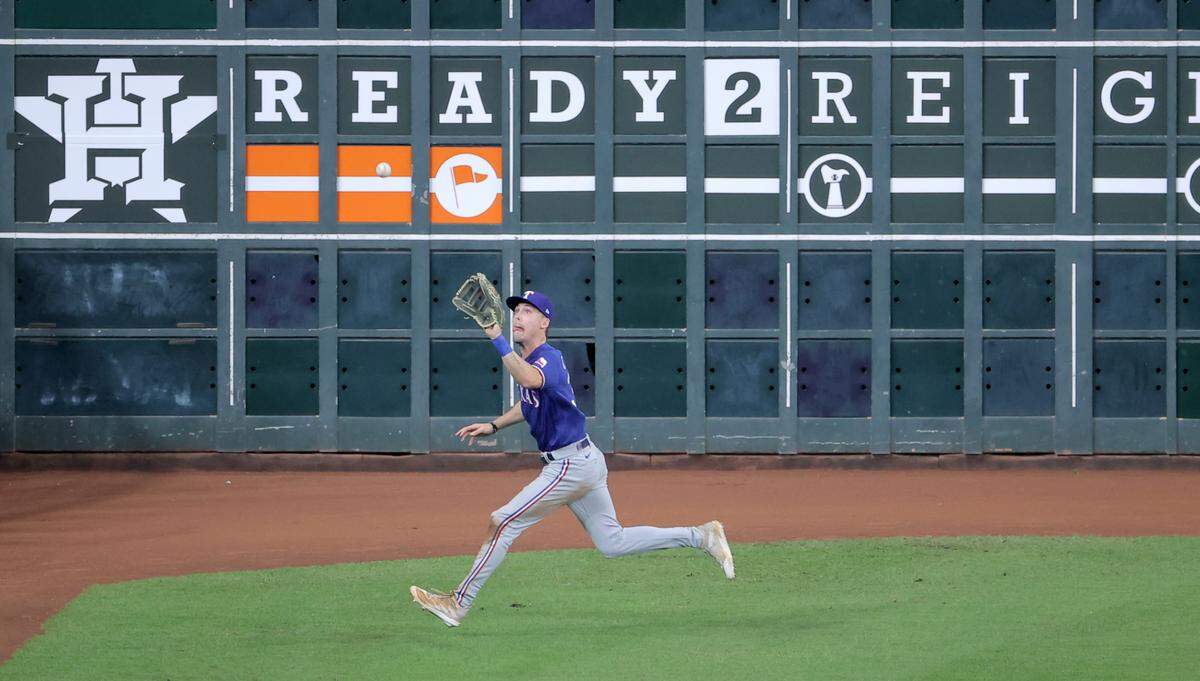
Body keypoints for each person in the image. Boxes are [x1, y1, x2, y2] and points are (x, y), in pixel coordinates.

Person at [410, 290, 735, 627]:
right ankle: (702, 535)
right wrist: (495, 425)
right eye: (516, 311)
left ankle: (457, 604)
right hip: (583, 461)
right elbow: (529, 400)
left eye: (527, 311)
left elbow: (527, 379)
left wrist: (495, 335)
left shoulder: (547, 358)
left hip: (570, 466)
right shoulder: (533, 360)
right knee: (613, 542)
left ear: (544, 322)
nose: (518, 317)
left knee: (502, 521)